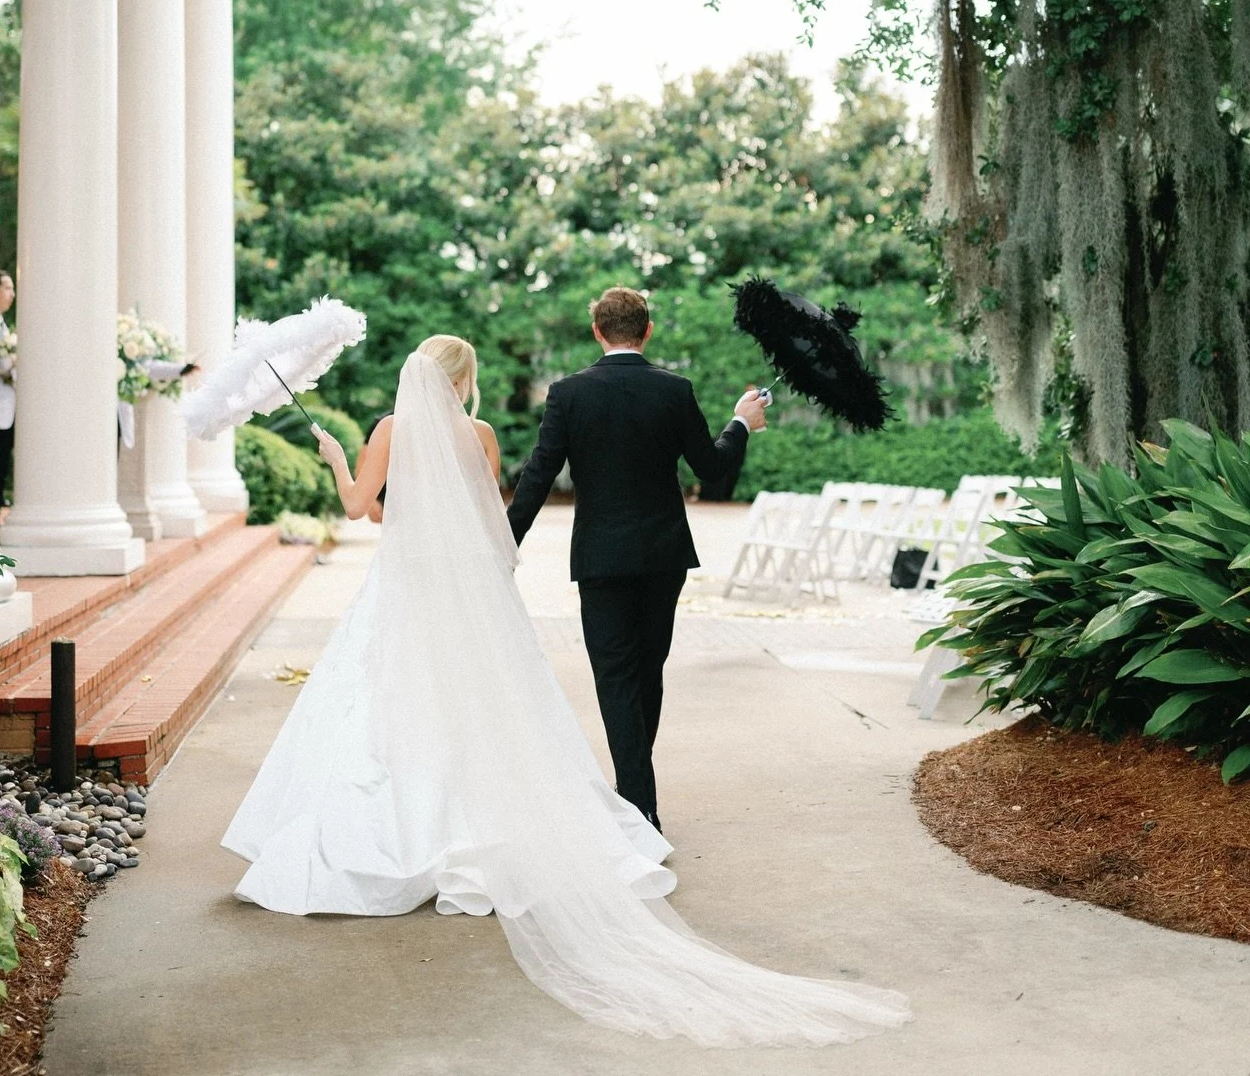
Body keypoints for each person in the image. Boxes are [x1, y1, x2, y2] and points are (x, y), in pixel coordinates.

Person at [222, 333, 908, 1048]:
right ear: (461, 380)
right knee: (480, 708)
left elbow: (366, 509)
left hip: (403, 588)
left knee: (388, 704)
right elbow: (486, 520)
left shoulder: (388, 432)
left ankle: (407, 828)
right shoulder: (479, 435)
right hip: (462, 593)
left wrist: (338, 459)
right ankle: (493, 817)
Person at [505, 285, 764, 829]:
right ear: (647, 331)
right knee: (647, 672)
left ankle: (637, 806)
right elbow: (713, 470)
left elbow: (538, 473)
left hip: (601, 557)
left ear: (597, 331)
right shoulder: (673, 389)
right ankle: (637, 799)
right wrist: (740, 423)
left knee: (617, 677)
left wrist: (504, 542)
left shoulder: (568, 393)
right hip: (662, 555)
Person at [0, 270, 16, 512]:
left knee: (3, 462)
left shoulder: (3, 326)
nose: (12, 294)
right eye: (8, 288)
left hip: (8, 406)